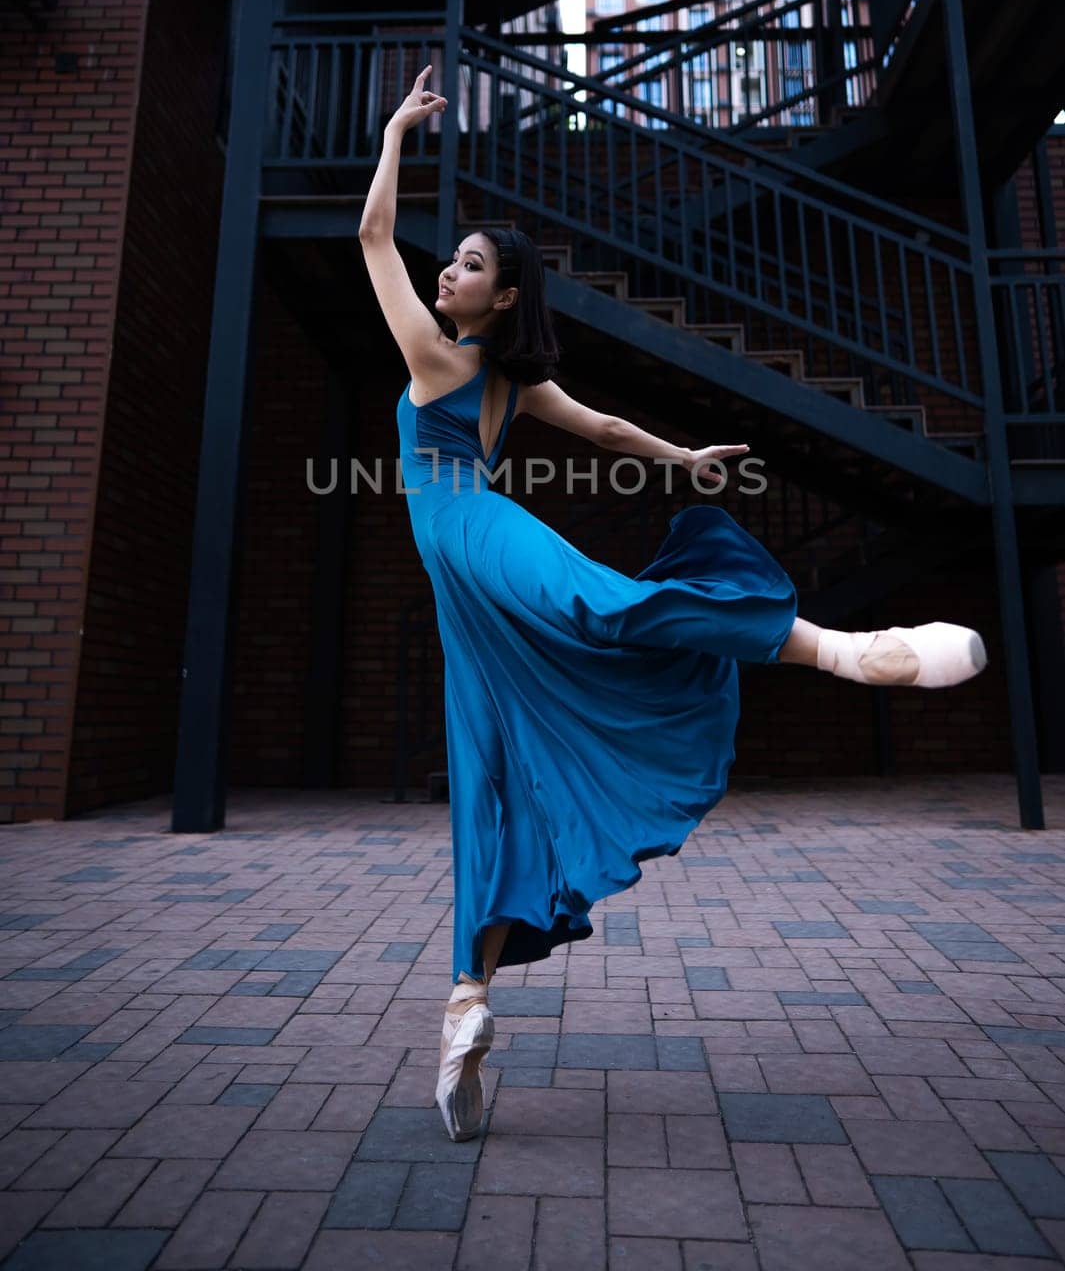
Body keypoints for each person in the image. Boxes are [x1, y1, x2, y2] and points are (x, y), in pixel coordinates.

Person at [357, 67, 988, 1142]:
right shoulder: (500, 379)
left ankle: (841, 649)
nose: (442, 270)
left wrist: (392, 135)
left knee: (605, 608)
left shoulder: (438, 361)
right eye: (449, 260)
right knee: (489, 771)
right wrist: (679, 455)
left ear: (501, 298)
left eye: (464, 265)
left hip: (473, 539)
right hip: (465, 588)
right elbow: (604, 429)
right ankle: (466, 999)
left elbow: (374, 236)